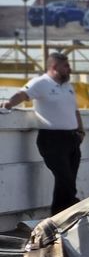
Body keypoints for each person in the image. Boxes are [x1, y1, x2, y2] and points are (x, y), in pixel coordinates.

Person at [3, 52, 84, 212]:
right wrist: (9, 103)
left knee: (69, 179)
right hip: (52, 139)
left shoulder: (68, 86)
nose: (70, 69)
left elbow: (74, 110)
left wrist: (81, 130)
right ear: (54, 67)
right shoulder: (41, 83)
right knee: (64, 178)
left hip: (72, 138)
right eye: (66, 66)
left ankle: (62, 212)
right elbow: (22, 94)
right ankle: (66, 208)